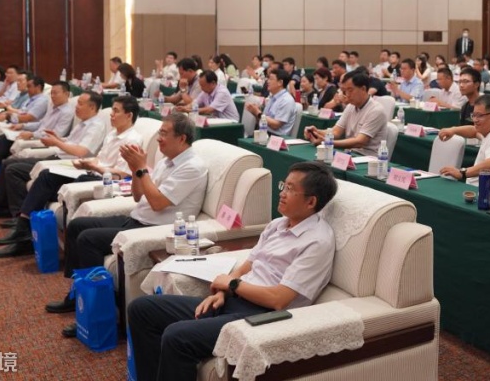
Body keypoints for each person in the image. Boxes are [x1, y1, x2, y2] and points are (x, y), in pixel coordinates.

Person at [128, 162, 337, 381]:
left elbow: (279, 299)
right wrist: (222, 291)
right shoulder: (277, 225)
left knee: (177, 336)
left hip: (262, 316)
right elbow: (249, 265)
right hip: (234, 300)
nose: (282, 193)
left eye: (291, 189)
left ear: (311, 202)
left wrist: (232, 285)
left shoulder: (317, 241)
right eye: (284, 185)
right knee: (142, 309)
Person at [46, 114, 209, 339]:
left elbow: (158, 202)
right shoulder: (167, 161)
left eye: (164, 133)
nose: (158, 138)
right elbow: (138, 196)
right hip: (136, 217)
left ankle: (98, 312)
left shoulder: (192, 167)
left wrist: (141, 168)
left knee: (88, 239)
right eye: (159, 133)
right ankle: (78, 294)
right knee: (77, 226)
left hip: (151, 228)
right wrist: (135, 169)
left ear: (181, 138)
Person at [0, 92, 119, 257]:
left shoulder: (96, 126)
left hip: (76, 166)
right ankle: (21, 222)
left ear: (92, 107)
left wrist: (57, 142)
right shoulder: (88, 125)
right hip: (66, 161)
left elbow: (81, 152)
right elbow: (74, 144)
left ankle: (22, 225)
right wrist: (59, 139)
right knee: (14, 167)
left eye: (80, 103)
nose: (76, 106)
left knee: (26, 172)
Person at [438, 95, 490, 191]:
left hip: (487, 194)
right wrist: (453, 130)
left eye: (480, 115)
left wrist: (462, 173)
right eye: (474, 115)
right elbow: (474, 131)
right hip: (477, 190)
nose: (475, 120)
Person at [305, 71, 388, 157]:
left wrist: (327, 142)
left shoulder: (376, 110)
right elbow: (336, 131)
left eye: (350, 90)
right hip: (350, 154)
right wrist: (315, 132)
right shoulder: (351, 106)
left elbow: (360, 142)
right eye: (345, 91)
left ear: (363, 89)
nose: (347, 95)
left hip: (368, 158)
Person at [245, 68, 298, 137]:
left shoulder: (287, 100)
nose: (267, 81)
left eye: (271, 79)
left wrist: (258, 113)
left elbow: (276, 125)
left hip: (276, 138)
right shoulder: (272, 97)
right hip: (264, 133)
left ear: (280, 82)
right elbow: (263, 121)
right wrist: (255, 112)